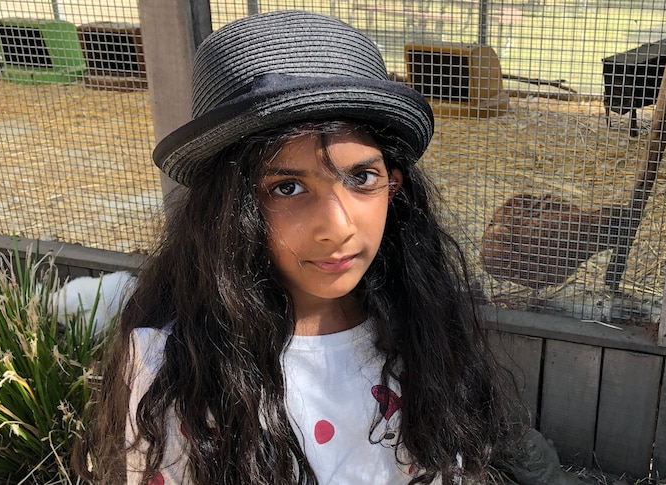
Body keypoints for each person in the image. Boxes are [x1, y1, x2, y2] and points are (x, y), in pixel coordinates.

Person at [73, 10, 514, 485]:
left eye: (361, 177)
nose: (337, 226)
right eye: (287, 187)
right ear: (227, 207)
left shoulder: (423, 326)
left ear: (396, 187)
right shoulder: (176, 364)